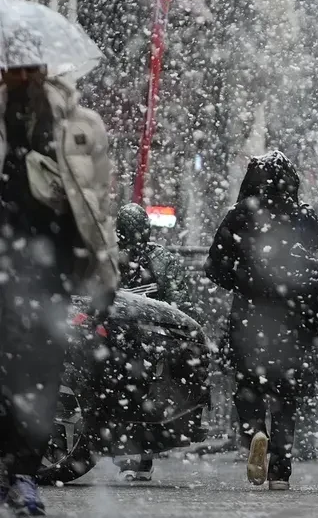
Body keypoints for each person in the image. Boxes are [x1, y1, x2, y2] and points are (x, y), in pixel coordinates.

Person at [0, 63, 115, 515]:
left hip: (53, 266)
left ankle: (23, 472)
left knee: (40, 372)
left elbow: (99, 203)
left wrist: (106, 272)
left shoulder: (79, 124)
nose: (22, 71)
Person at [205, 151, 318, 491]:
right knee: (286, 397)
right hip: (291, 320)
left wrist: (240, 280)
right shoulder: (303, 217)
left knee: (247, 387)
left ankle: (255, 433)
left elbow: (214, 267)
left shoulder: (240, 215)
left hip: (248, 318)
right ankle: (280, 470)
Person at [114, 202, 194, 481]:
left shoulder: (117, 258)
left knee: (128, 397)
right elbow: (180, 303)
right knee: (142, 398)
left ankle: (132, 457)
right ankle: (140, 457)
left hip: (132, 342)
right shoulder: (159, 259)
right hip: (144, 342)